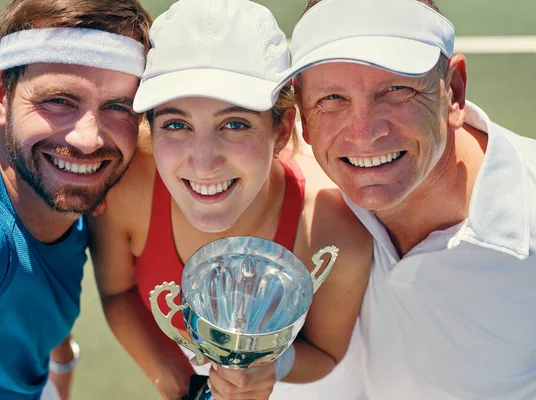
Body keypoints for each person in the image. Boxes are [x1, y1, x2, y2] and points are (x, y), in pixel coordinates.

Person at [89, 0, 372, 399]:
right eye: (176, 124)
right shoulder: (126, 189)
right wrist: (168, 373)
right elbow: (117, 293)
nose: (204, 164)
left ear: (281, 130)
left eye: (235, 124)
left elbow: (325, 352)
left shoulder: (335, 229)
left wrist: (269, 367)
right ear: (148, 130)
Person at [286, 0, 536, 398]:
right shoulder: (279, 180)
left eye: (396, 90)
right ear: (301, 114)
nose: (364, 133)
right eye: (332, 98)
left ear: (453, 91)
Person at [0, 0, 152, 398]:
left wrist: (61, 361)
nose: (88, 140)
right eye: (58, 101)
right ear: (0, 96)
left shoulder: (75, 197)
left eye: (119, 107)